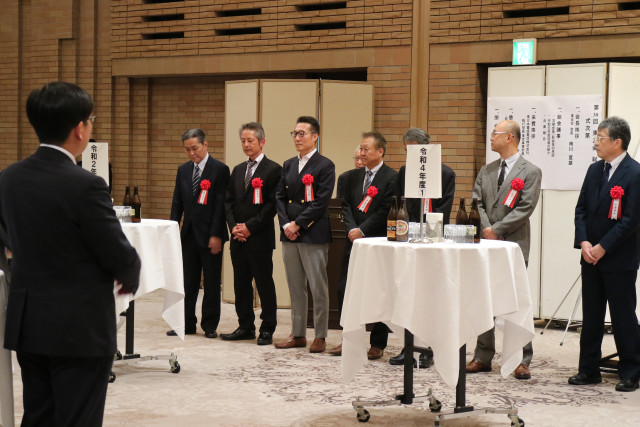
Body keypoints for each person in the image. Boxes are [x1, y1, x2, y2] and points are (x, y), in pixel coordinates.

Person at [0, 81, 141, 425]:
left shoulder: (9, 178)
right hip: (79, 326)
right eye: (91, 120)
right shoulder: (86, 185)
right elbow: (118, 253)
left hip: (29, 321)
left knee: (39, 415)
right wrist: (130, 274)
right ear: (80, 129)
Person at [466, 120, 541, 380]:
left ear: (509, 137)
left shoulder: (530, 171)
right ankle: (482, 355)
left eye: (494, 134)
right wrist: (488, 229)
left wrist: (497, 229)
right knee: (484, 299)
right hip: (486, 244)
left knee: (515, 301)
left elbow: (526, 207)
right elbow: (477, 202)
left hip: (514, 245)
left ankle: (521, 359)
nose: (491, 138)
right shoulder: (486, 170)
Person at [569, 116, 640, 392]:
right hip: (591, 256)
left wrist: (603, 247)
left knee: (623, 317)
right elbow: (581, 209)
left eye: (600, 138)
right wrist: (585, 242)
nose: (596, 143)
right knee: (591, 315)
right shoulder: (594, 170)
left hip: (619, 257)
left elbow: (631, 220)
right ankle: (588, 370)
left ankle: (631, 371)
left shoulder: (634, 173)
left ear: (617, 142)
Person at [388, 127, 456, 368]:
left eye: (415, 150)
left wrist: (430, 232)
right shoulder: (405, 171)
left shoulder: (446, 173)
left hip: (433, 240)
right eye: (407, 151)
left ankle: (430, 348)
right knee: (408, 293)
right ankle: (408, 346)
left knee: (431, 294)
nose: (411, 155)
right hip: (408, 239)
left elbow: (445, 208)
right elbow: (399, 203)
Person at [328, 132, 397, 358]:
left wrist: (363, 230)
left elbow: (386, 210)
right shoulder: (351, 177)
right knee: (346, 289)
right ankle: (349, 339)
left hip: (378, 242)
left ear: (380, 151)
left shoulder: (392, 177)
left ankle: (378, 343)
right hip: (354, 242)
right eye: (361, 148)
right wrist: (352, 230)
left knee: (379, 292)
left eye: (367, 149)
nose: (362, 153)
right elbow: (345, 205)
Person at [274, 116, 335, 353]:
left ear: (315, 137)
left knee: (317, 285)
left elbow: (321, 201)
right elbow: (280, 197)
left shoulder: (325, 165)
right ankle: (297, 333)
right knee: (295, 284)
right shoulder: (289, 164)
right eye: (295, 134)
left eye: (302, 133)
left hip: (312, 232)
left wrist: (298, 224)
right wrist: (285, 225)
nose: (297, 138)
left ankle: (320, 335)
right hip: (289, 233)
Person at [221, 122, 282, 346]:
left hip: (259, 237)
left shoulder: (273, 169)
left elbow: (271, 205)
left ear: (262, 142)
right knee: (241, 284)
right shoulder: (238, 170)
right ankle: (245, 326)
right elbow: (228, 201)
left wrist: (250, 227)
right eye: (243, 141)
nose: (246, 145)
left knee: (264, 283)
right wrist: (234, 227)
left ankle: (267, 328)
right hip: (238, 238)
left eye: (251, 140)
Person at [168, 128, 230, 338]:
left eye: (195, 148)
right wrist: (172, 230)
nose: (192, 153)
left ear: (205, 145)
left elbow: (221, 206)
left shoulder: (220, 169)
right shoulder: (183, 170)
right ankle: (186, 323)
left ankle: (210, 325)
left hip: (211, 235)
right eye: (187, 149)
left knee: (211, 281)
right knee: (188, 281)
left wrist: (216, 234)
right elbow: (177, 203)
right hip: (188, 235)